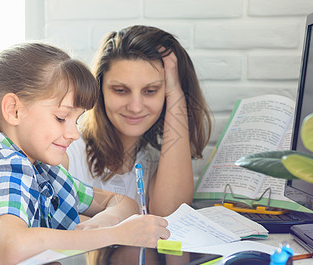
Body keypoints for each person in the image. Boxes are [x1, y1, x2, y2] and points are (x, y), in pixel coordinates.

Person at [0, 42, 169, 265]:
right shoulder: (2, 164)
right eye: (61, 118)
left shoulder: (40, 166)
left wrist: (102, 224)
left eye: (77, 119)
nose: (74, 133)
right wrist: (115, 235)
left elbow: (122, 202)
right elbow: (14, 248)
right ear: (14, 110)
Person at [62, 25, 212, 216]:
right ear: (100, 89)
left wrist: (175, 93)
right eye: (120, 90)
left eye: (150, 91)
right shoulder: (68, 147)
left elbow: (171, 214)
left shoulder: (156, 161)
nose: (135, 107)